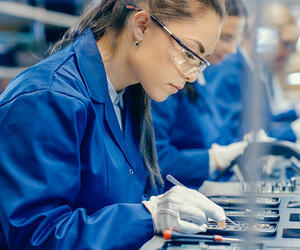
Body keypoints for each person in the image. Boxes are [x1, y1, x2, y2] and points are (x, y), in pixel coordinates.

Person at [0, 0, 227, 249]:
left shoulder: (128, 94)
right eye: (188, 53)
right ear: (141, 26)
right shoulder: (47, 98)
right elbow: (36, 237)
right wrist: (149, 216)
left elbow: (117, 197)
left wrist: (169, 208)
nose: (193, 75)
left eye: (200, 61)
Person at [151, 0, 248, 190]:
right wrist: (213, 160)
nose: (232, 50)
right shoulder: (166, 83)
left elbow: (217, 132)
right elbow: (156, 158)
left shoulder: (201, 80)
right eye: (226, 38)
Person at [206, 2, 300, 143]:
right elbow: (231, 138)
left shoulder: (251, 72)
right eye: (285, 44)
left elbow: (261, 121)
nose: (288, 53)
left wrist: (296, 111)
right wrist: (294, 130)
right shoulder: (228, 70)